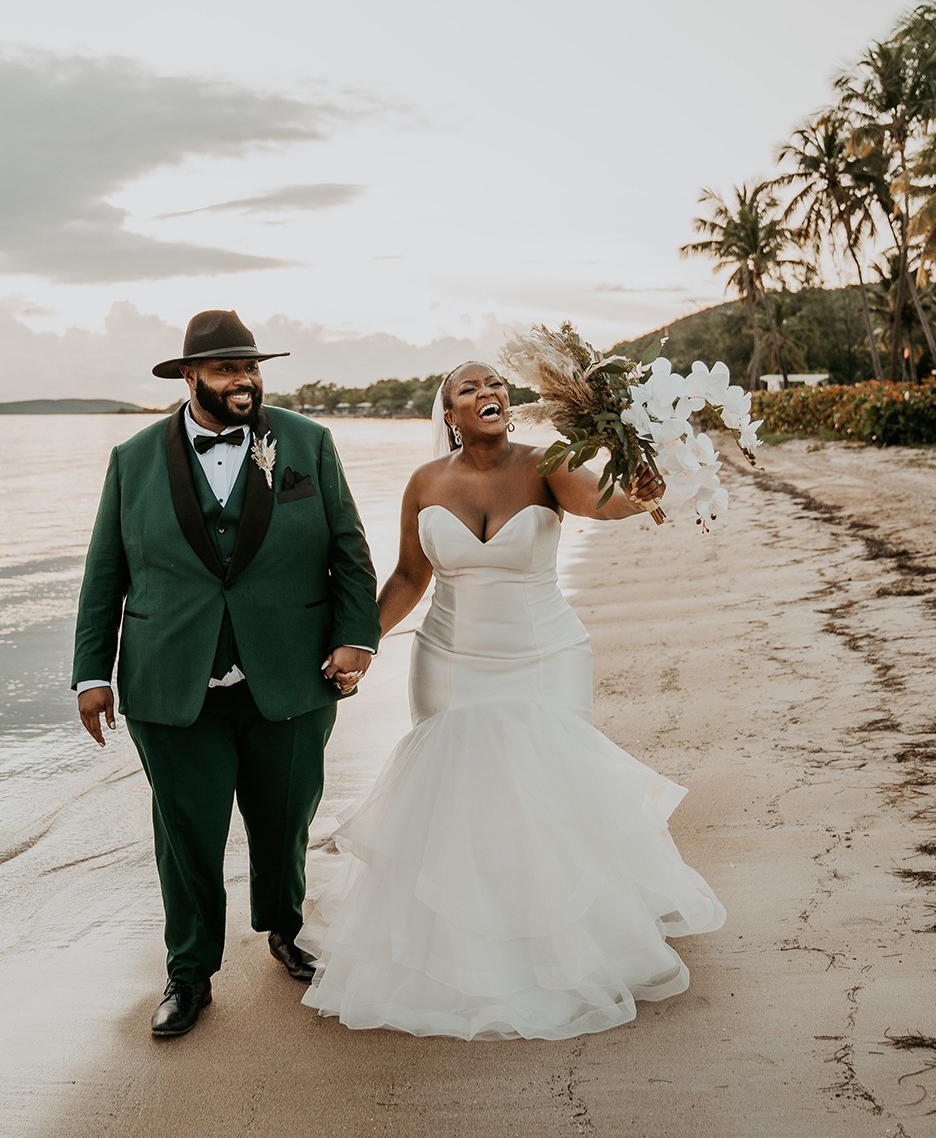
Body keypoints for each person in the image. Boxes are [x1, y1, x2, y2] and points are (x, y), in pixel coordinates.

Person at [299, 362, 725, 1040]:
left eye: (494, 384)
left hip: (543, 658)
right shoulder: (424, 484)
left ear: (509, 404)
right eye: (467, 389)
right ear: (449, 415)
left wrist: (640, 496)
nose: (486, 393)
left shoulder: (546, 464)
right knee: (460, 796)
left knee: (545, 793)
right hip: (448, 660)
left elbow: (602, 502)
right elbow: (411, 576)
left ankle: (562, 939)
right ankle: (471, 942)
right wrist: (361, 642)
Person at [73, 310, 379, 1038]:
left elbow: (350, 549)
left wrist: (356, 638)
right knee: (186, 836)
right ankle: (189, 974)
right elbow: (104, 574)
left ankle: (286, 931)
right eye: (226, 370)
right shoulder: (132, 459)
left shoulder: (307, 443)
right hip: (169, 682)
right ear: (190, 378)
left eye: (251, 368)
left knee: (285, 821)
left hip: (290, 675)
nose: (245, 381)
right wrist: (91, 673)